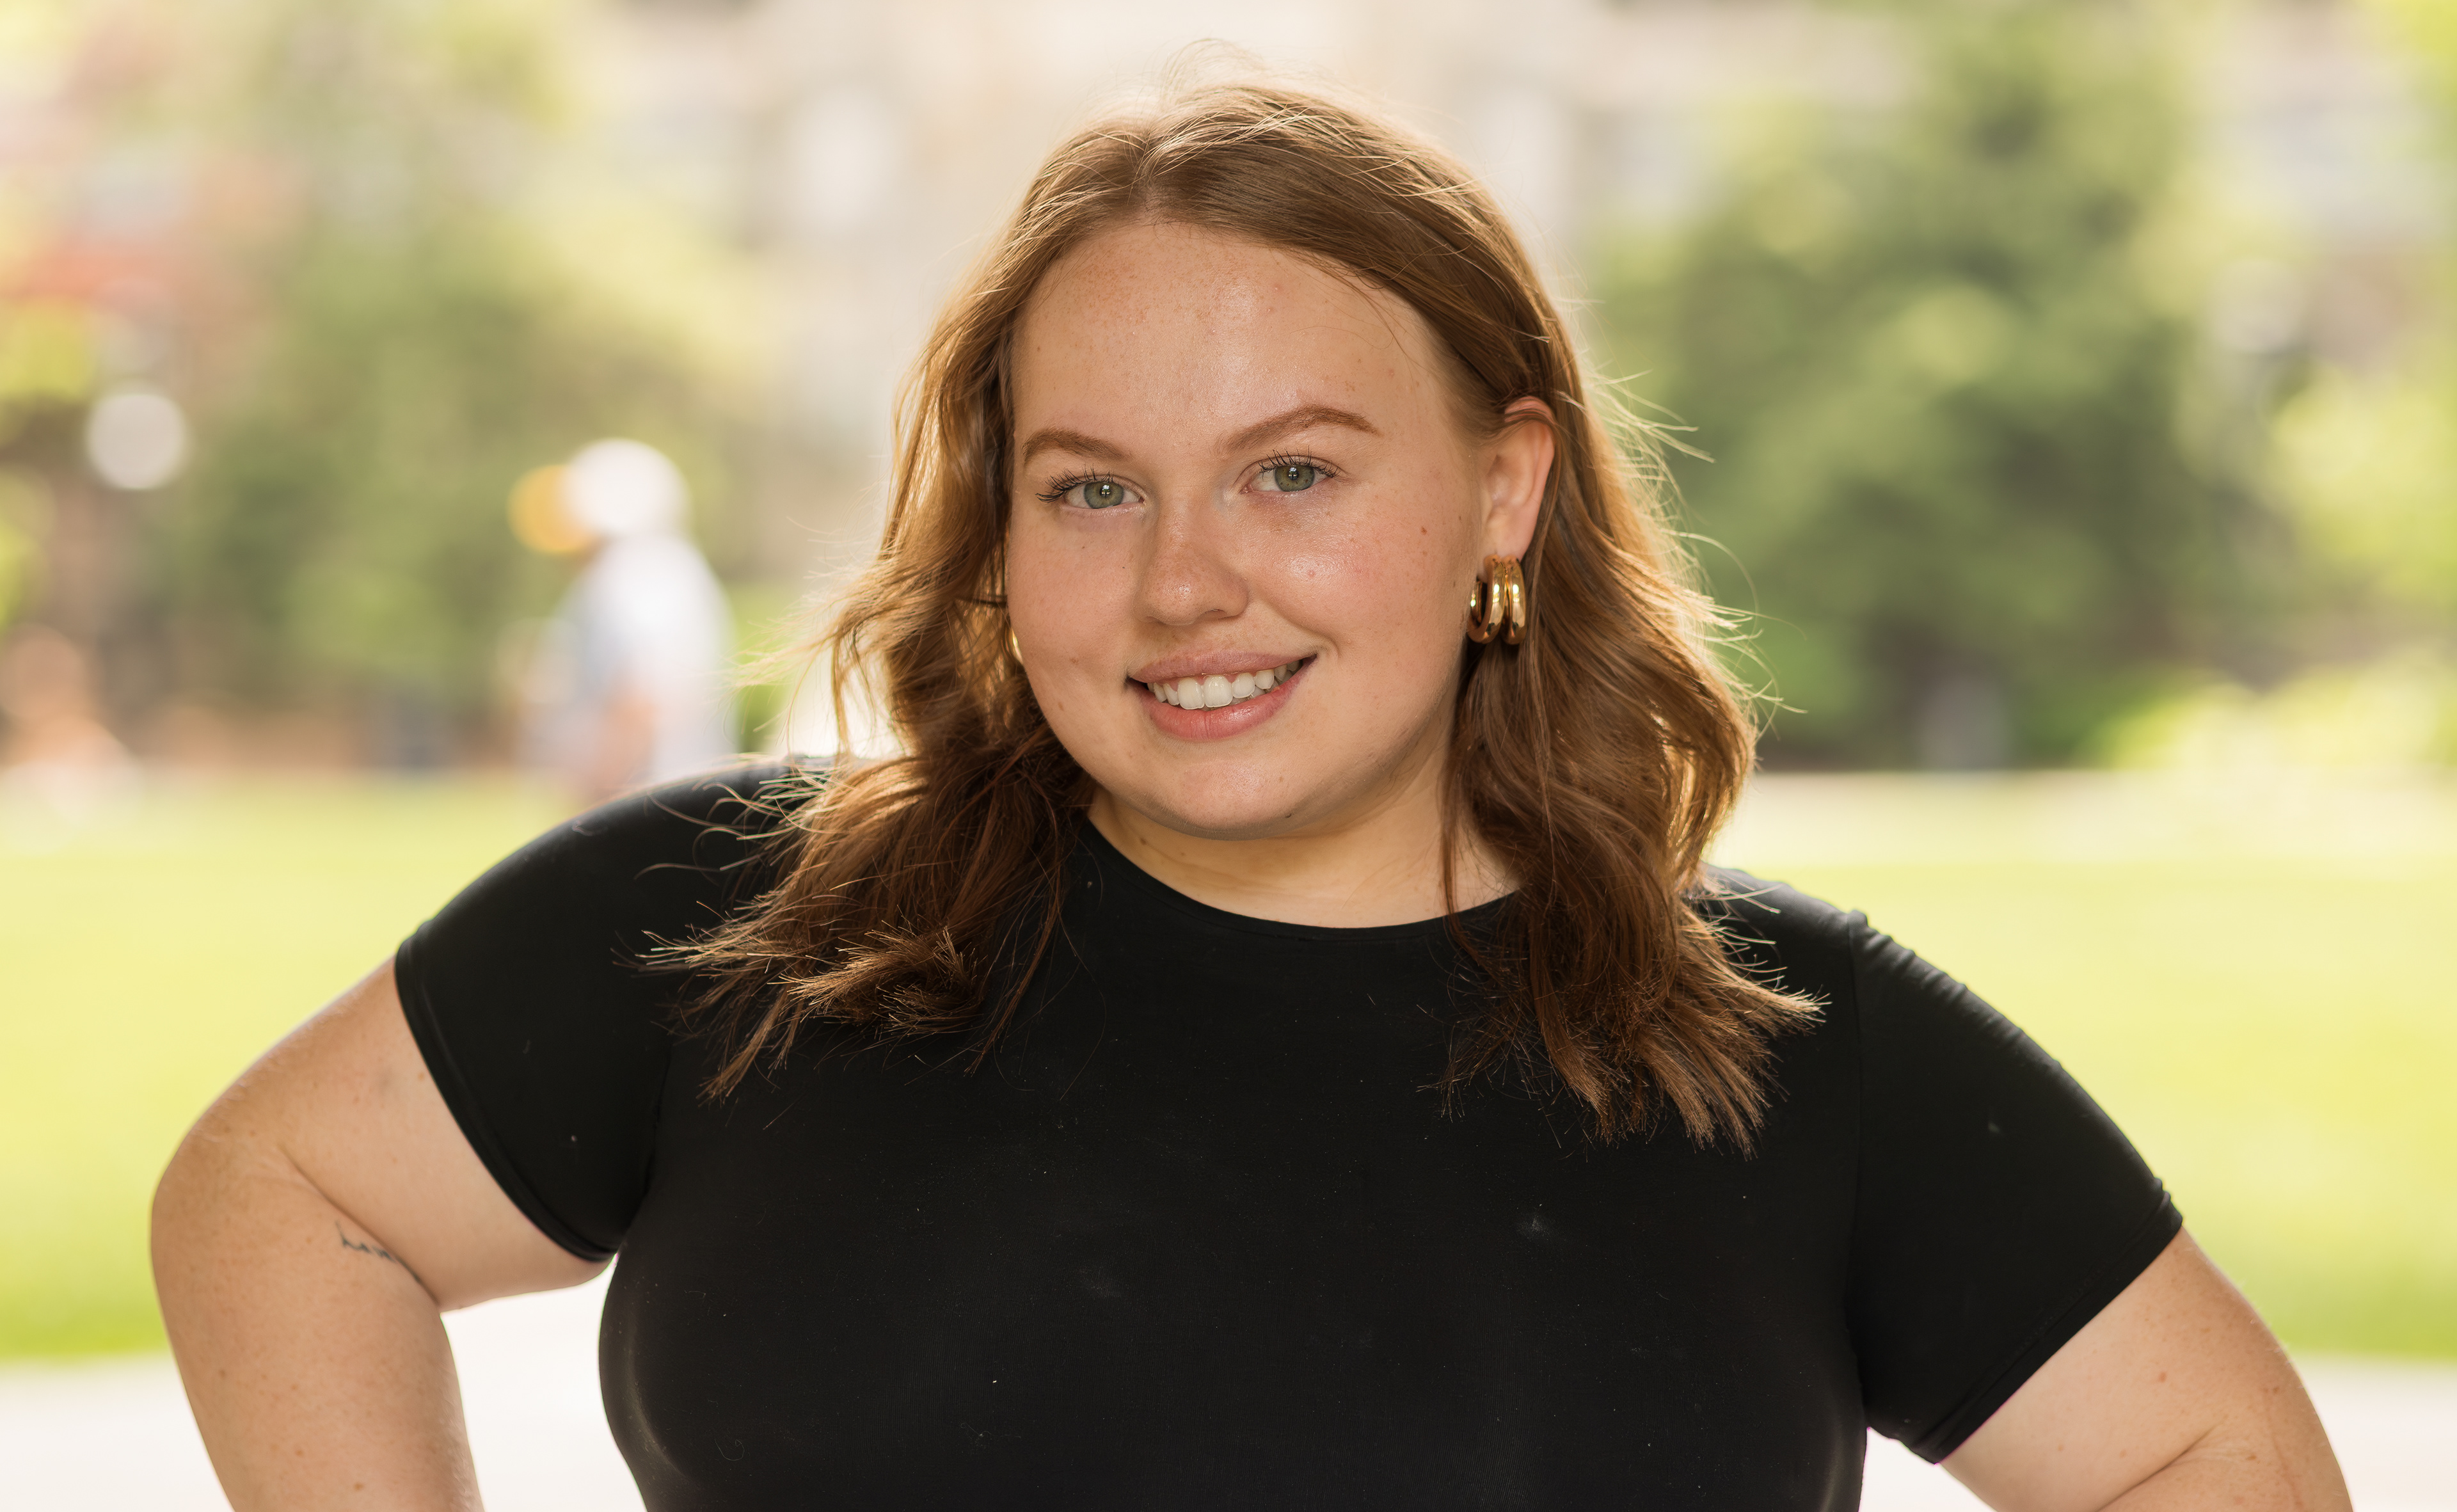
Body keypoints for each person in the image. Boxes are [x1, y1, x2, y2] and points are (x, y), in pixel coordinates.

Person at [152, 77, 2348, 1511]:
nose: (1184, 583)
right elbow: (279, 1190)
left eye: (1292, 472)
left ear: (1504, 489)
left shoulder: (1788, 1051)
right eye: (1093, 486)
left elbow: (2204, 1457)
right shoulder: (750, 929)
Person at [517, 438, 735, 802]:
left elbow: (639, 697)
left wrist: (601, 803)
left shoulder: (632, 574)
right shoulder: (675, 571)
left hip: (644, 801)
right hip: (670, 799)